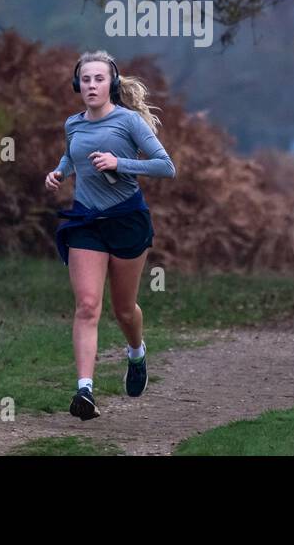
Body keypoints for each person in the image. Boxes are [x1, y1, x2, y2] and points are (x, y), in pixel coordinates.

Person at [44, 50, 176, 420]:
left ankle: (136, 353)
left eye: (98, 79)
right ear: (77, 85)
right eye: (85, 79)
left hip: (127, 220)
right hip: (86, 222)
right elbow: (72, 157)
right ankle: (84, 391)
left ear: (111, 84)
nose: (91, 85)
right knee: (87, 306)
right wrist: (58, 172)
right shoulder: (73, 124)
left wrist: (121, 163)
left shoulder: (129, 122)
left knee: (123, 309)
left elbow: (167, 167)